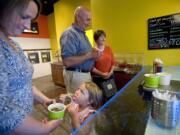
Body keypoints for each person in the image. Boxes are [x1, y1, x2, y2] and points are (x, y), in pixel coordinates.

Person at [0, 0, 62, 134]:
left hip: (25, 122)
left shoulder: (14, 44)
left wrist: (45, 100)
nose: (28, 25)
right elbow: (2, 112)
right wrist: (43, 129)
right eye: (24, 16)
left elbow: (25, 84)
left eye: (31, 19)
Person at [60, 6, 101, 94]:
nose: (89, 23)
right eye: (88, 19)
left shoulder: (83, 34)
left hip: (85, 75)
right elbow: (67, 61)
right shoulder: (70, 34)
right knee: (77, 104)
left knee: (83, 105)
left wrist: (95, 56)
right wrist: (90, 55)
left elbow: (86, 56)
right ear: (78, 17)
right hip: (76, 75)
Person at [91, 30, 117, 100]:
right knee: (99, 99)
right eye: (101, 37)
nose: (104, 39)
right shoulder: (93, 51)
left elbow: (113, 63)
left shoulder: (109, 49)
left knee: (111, 97)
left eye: (104, 36)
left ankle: (111, 110)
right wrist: (102, 74)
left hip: (110, 78)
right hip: (98, 79)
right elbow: (91, 68)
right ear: (96, 39)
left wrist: (110, 73)